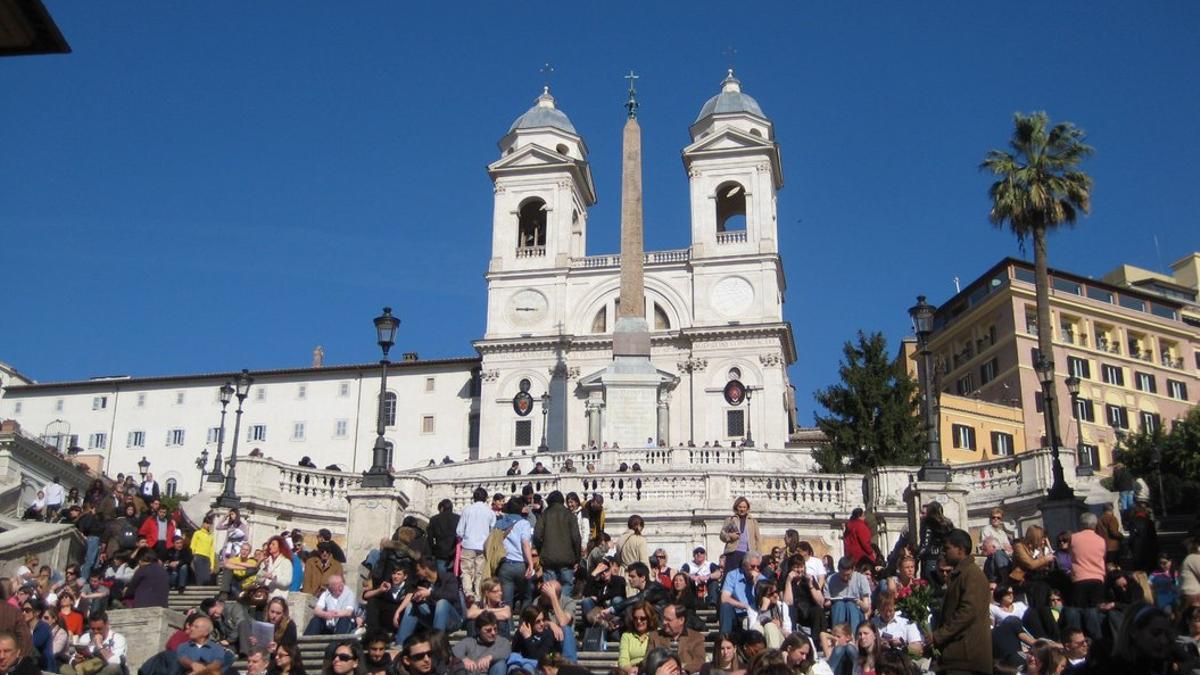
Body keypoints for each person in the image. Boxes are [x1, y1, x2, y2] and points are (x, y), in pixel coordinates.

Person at [929, 529, 991, 674]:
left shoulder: (971, 574)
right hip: (959, 657)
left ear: (960, 549)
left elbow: (968, 612)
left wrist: (939, 635)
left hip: (967, 658)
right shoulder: (962, 574)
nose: (944, 552)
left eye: (947, 548)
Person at [395, 557, 464, 645]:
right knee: (411, 605)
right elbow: (413, 595)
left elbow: (452, 596)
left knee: (442, 603)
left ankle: (436, 644)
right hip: (434, 618)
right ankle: (400, 644)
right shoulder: (424, 583)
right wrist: (418, 599)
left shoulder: (448, 577)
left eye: (418, 570)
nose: (417, 573)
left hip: (453, 619)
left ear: (425, 569)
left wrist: (430, 593)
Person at [1101, 602, 1177, 674]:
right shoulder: (1113, 669)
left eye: (1167, 634)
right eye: (1155, 633)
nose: (1163, 641)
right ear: (1134, 632)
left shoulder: (1165, 667)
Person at [533, 491, 582, 600]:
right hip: (567, 559)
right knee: (567, 584)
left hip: (548, 558)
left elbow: (536, 536)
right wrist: (577, 558)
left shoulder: (544, 515)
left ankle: (552, 608)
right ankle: (562, 607)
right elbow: (576, 538)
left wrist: (541, 551)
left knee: (550, 587)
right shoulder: (569, 515)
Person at [457, 487, 497, 602]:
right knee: (480, 573)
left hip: (468, 545)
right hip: (483, 546)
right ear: (485, 498)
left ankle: (468, 593)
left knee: (466, 571)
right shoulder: (490, 512)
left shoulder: (467, 510)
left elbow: (459, 530)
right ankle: (479, 596)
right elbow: (492, 531)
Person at [648, 603, 706, 675]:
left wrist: (680, 669)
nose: (664, 622)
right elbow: (647, 660)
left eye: (668, 619)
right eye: (664, 618)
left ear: (681, 620)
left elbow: (700, 661)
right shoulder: (655, 636)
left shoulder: (696, 638)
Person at [63, 611, 126, 675]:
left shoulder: (118, 638)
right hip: (88, 669)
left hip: (107, 671)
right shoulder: (85, 637)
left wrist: (99, 646)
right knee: (64, 668)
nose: (96, 632)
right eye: (93, 629)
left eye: (99, 629)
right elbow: (72, 660)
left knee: (113, 667)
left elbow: (117, 662)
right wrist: (76, 660)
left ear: (107, 624)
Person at [362, 563, 413, 635]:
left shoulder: (408, 587)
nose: (395, 577)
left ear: (405, 577)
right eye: (394, 574)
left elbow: (410, 596)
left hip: (398, 619)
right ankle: (373, 632)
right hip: (384, 618)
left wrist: (397, 612)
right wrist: (380, 590)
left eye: (399, 574)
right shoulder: (386, 584)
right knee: (373, 601)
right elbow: (365, 596)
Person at [824, 556, 872, 631]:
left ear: (853, 569)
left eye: (848, 575)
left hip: (856, 611)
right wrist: (833, 601)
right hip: (838, 610)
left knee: (850, 605)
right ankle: (838, 636)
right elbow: (826, 603)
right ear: (838, 569)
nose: (845, 578)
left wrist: (857, 601)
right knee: (840, 604)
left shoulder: (861, 578)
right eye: (843, 575)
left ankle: (854, 636)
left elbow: (866, 607)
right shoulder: (830, 579)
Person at [508, 607, 559, 673]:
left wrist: (528, 638)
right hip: (522, 664)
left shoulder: (548, 634)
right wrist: (522, 635)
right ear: (529, 622)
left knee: (528, 666)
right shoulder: (520, 633)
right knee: (513, 667)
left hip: (543, 666)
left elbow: (538, 658)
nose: (542, 624)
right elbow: (515, 652)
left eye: (543, 620)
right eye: (538, 621)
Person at [720, 497, 760, 574]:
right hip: (733, 553)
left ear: (747, 508)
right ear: (736, 507)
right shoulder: (730, 520)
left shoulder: (753, 521)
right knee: (731, 575)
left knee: (747, 576)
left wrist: (758, 555)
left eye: (744, 507)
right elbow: (722, 535)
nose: (742, 509)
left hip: (748, 554)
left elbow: (757, 539)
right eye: (740, 507)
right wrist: (730, 536)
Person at [918, 501, 953, 584]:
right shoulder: (948, 524)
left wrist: (917, 557)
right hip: (945, 559)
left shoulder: (928, 523)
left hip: (931, 558)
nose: (920, 516)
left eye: (923, 513)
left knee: (931, 588)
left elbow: (925, 544)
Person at [618, 600, 658, 674]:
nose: (638, 621)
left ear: (649, 618)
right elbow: (623, 659)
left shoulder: (656, 635)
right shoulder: (626, 636)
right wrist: (630, 669)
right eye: (635, 618)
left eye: (642, 618)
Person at [427, 500, 460, 576]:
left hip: (440, 552)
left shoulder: (434, 519)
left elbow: (430, 537)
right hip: (454, 552)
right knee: (453, 577)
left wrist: (433, 551)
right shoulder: (458, 518)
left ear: (441, 508)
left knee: (441, 578)